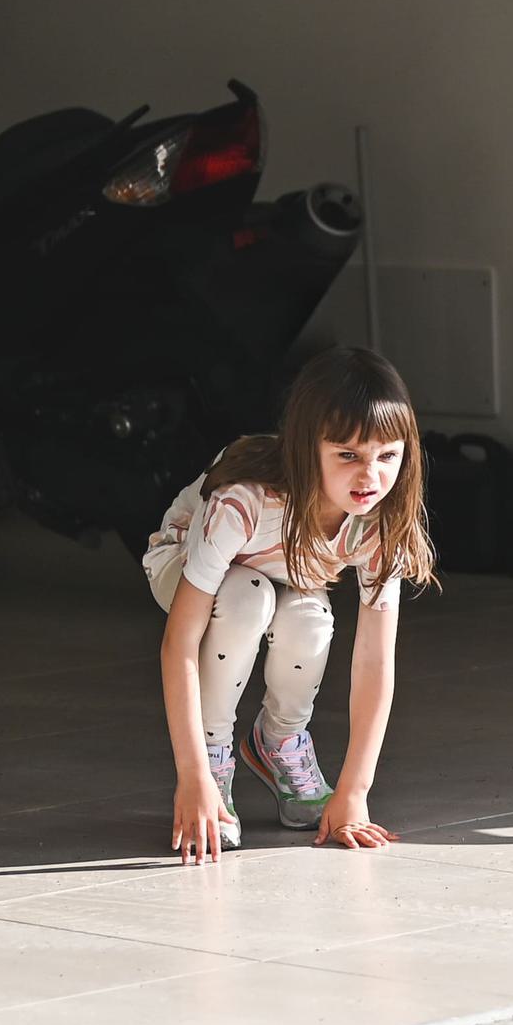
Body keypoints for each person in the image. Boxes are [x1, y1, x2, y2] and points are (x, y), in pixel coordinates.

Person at [143, 346, 435, 858]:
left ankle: (279, 741)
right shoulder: (245, 500)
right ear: (306, 447)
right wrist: (191, 775)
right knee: (245, 598)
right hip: (186, 560)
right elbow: (179, 643)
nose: (370, 478)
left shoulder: (381, 522)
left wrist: (355, 792)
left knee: (310, 618)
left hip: (286, 567)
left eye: (387, 456)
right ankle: (214, 758)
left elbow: (374, 660)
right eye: (347, 455)